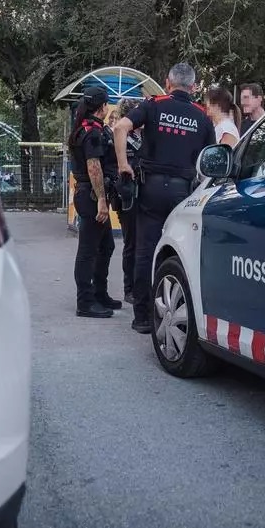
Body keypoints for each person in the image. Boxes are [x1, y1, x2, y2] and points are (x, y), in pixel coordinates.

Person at [113, 63, 216, 334]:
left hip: (150, 190)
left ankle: (143, 318)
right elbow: (211, 160)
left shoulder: (153, 105)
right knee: (180, 253)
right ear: (193, 87)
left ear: (168, 83)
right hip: (183, 193)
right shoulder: (202, 116)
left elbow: (120, 128)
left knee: (145, 253)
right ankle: (173, 310)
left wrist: (124, 164)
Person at [67, 85, 122, 318]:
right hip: (91, 195)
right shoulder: (93, 132)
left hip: (91, 194)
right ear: (103, 106)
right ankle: (85, 302)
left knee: (106, 245)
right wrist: (101, 199)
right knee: (88, 250)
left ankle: (100, 294)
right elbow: (94, 166)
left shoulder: (87, 127)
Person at [112, 98, 145, 305]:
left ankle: (143, 285)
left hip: (146, 195)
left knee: (145, 242)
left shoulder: (147, 136)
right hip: (128, 196)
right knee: (131, 243)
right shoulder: (123, 137)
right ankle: (129, 288)